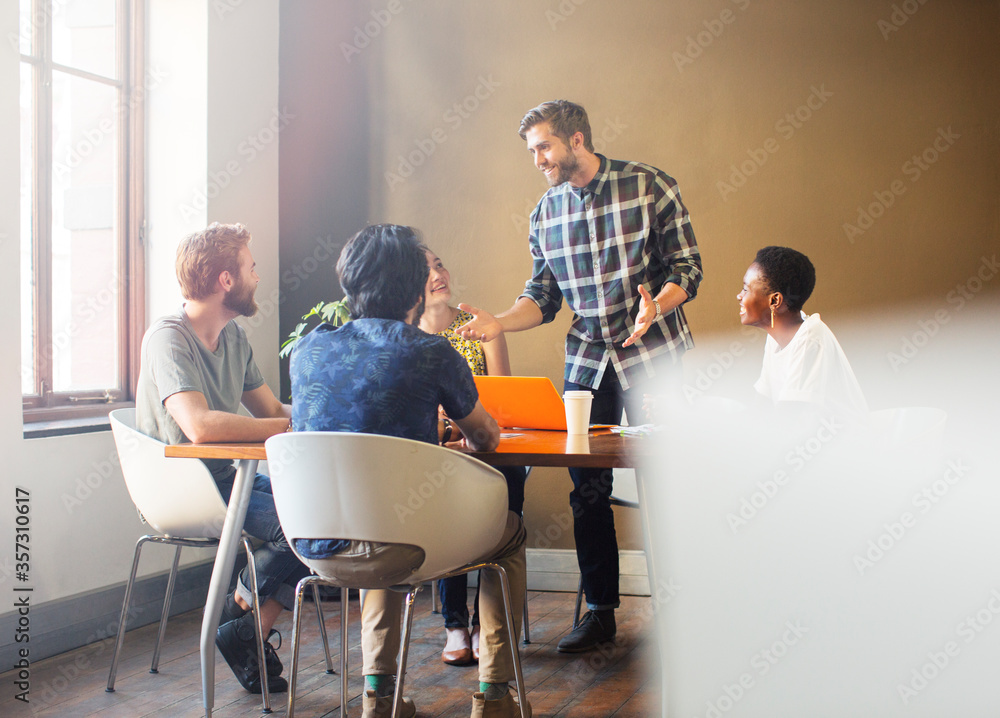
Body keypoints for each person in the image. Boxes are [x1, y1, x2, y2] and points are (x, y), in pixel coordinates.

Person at [457, 100, 703, 653]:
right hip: (588, 362)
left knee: (667, 482)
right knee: (586, 489)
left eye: (544, 146)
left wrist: (656, 306)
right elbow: (542, 297)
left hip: (653, 353)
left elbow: (689, 268)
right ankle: (600, 612)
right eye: (532, 151)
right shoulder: (545, 213)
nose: (538, 159)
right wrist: (500, 321)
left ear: (576, 138)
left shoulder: (649, 186)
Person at [290, 225, 530, 718]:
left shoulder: (307, 350)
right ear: (416, 287)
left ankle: (378, 697)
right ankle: (496, 696)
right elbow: (486, 438)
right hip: (406, 544)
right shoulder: (429, 351)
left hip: (315, 541)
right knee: (510, 534)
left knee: (374, 513)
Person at [135, 222, 310, 694]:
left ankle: (241, 623)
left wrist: (328, 412)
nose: (258, 276)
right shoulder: (167, 338)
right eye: (251, 268)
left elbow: (272, 411)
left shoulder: (233, 338)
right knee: (305, 524)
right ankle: (243, 627)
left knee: (323, 513)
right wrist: (284, 427)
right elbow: (199, 427)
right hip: (182, 487)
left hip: (228, 477)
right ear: (226, 280)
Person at [420, 248, 529, 667]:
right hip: (438, 454)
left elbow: (503, 397)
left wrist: (472, 420)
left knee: (510, 485)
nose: (437, 274)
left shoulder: (482, 328)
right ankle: (454, 624)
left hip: (487, 445)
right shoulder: (408, 337)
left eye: (440, 264)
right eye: (426, 270)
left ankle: (488, 623)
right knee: (449, 506)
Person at [737, 246, 868, 419]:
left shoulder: (810, 338)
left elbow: (789, 417)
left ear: (775, 300)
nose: (739, 296)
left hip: (847, 442)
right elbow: (762, 403)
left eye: (746, 289)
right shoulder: (775, 338)